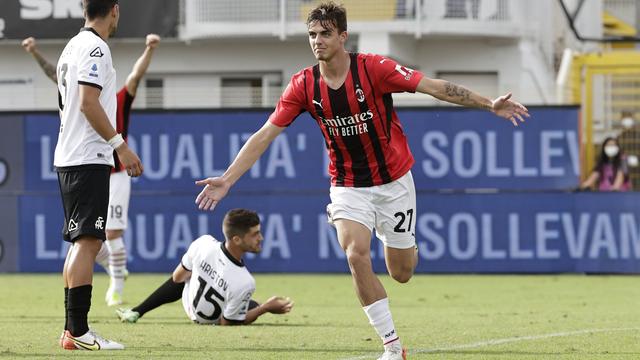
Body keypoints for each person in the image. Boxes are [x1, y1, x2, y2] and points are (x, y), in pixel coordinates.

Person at [194, 2, 528, 359]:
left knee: (401, 272)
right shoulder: (303, 85)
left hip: (394, 183)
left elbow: (434, 87)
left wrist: (487, 103)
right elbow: (265, 134)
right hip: (348, 185)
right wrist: (228, 179)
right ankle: (392, 346)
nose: (317, 41)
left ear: (342, 36)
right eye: (312, 35)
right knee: (355, 254)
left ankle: (406, 244)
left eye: (325, 34)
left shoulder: (374, 68)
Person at [22, 33, 161, 307]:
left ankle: (116, 288)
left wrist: (149, 49)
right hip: (85, 163)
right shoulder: (84, 92)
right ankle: (114, 269)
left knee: (108, 234)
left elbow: (135, 75)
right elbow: (56, 75)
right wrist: (35, 52)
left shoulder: (119, 98)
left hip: (115, 171)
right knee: (86, 239)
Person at [55, 0, 143, 350]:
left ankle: (70, 331)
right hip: (87, 157)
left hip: (72, 155)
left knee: (83, 242)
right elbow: (87, 103)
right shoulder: (95, 47)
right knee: (89, 242)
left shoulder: (72, 45)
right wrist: (120, 145)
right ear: (115, 10)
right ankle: (78, 331)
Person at [115, 208, 293, 325]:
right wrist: (266, 308)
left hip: (189, 304)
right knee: (252, 303)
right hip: (210, 320)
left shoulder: (203, 243)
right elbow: (226, 323)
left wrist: (208, 274)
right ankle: (260, 305)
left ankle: (137, 312)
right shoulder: (246, 281)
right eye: (255, 234)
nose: (260, 238)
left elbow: (177, 278)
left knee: (186, 274)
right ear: (237, 239)